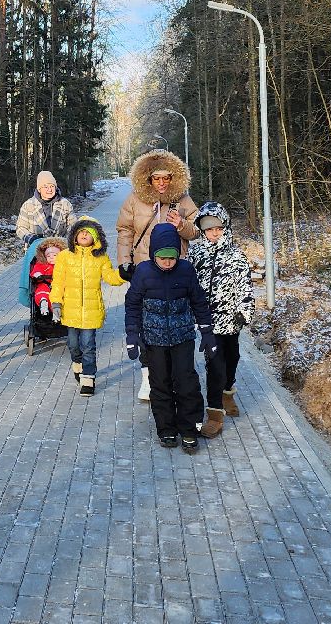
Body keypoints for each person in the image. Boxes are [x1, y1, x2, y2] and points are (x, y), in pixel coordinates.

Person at [116, 149, 201, 402]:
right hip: (145, 272)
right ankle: (148, 378)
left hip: (177, 271)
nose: (162, 183)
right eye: (156, 178)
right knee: (146, 325)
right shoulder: (134, 199)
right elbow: (124, 230)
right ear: (148, 179)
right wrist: (124, 261)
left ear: (174, 179)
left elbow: (197, 232)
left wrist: (181, 225)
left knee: (175, 323)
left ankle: (175, 376)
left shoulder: (183, 200)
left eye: (166, 178)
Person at [124, 222, 214, 452]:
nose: (167, 262)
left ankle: (190, 429)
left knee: (187, 384)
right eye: (162, 257)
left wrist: (207, 331)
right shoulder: (143, 272)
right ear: (154, 254)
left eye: (171, 257)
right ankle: (166, 430)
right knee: (160, 385)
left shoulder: (186, 271)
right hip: (154, 341)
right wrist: (132, 337)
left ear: (178, 255)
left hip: (182, 337)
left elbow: (199, 302)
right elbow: (132, 305)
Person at [187, 202, 254, 435]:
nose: (214, 233)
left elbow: (245, 286)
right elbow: (189, 283)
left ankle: (227, 392)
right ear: (202, 230)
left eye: (218, 228)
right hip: (208, 321)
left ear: (225, 227)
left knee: (232, 358)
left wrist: (245, 310)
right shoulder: (195, 254)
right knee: (215, 365)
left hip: (232, 319)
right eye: (208, 229)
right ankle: (214, 413)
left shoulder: (236, 256)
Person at [48, 217, 123, 396]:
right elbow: (57, 282)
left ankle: (88, 378)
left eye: (89, 232)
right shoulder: (64, 256)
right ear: (74, 235)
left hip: (91, 310)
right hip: (70, 309)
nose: (84, 234)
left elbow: (111, 277)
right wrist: (56, 302)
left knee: (88, 345)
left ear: (96, 238)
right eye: (81, 231)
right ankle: (78, 363)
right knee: (73, 344)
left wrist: (123, 274)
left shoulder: (100, 257)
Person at [15, 170, 76, 245]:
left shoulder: (65, 204)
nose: (49, 190)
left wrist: (64, 241)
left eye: (52, 186)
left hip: (60, 249)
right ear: (39, 189)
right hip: (36, 249)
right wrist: (32, 239)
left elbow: (73, 227)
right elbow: (21, 228)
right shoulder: (28, 205)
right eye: (45, 187)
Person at [17, 235, 68, 317]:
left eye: (54, 255)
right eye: (48, 256)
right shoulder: (42, 264)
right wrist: (37, 275)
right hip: (44, 283)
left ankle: (56, 311)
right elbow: (36, 270)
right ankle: (43, 302)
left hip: (59, 286)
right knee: (41, 291)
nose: (51, 257)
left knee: (60, 295)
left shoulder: (63, 265)